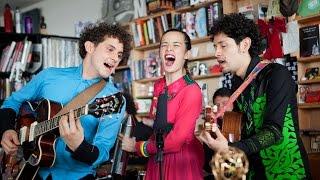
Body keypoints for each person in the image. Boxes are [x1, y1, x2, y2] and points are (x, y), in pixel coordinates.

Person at [0, 22, 132, 179]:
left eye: (119, 54)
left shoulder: (115, 100)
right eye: (110, 49)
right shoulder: (49, 76)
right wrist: (7, 130)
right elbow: (12, 102)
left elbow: (102, 153)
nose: (115, 58)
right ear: (90, 47)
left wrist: (79, 146)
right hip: (32, 170)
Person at [198, 13, 310, 179]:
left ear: (244, 44)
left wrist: (230, 148)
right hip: (254, 171)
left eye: (223, 45)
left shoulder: (277, 75)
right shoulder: (236, 82)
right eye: (215, 47)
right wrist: (215, 126)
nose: (217, 53)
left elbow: (273, 132)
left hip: (287, 171)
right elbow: (242, 128)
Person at [120, 29, 204, 180]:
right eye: (164, 45)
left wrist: (137, 147)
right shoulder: (159, 85)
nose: (169, 48)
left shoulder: (192, 91)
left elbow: (177, 140)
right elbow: (159, 123)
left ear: (187, 54)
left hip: (180, 160)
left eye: (176, 45)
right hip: (157, 157)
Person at [203, 87, 232, 180]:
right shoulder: (212, 126)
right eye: (217, 105)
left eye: (225, 104)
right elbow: (208, 164)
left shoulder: (243, 122)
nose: (221, 108)